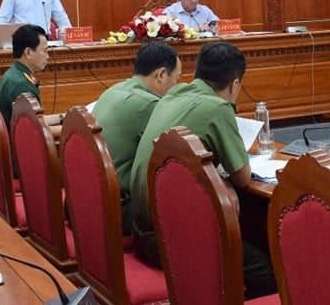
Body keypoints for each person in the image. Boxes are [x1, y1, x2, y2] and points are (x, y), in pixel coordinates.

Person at [129, 41, 275, 299]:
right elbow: (243, 178)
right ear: (235, 85)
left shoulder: (171, 96)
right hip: (173, 244)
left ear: (197, 72)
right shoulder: (218, 108)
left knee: (251, 231)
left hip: (141, 231)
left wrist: (221, 180)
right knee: (271, 272)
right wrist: (226, 180)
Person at [92, 42, 182, 234]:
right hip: (119, 209)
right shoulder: (150, 104)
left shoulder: (113, 90)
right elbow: (174, 158)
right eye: (176, 79)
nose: (176, 86)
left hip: (90, 198)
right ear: (161, 75)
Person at [0, 24, 48, 128]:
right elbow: (35, 131)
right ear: (28, 52)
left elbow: (36, 120)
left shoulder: (15, 73)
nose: (48, 56)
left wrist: (62, 118)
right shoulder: (22, 85)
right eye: (45, 51)